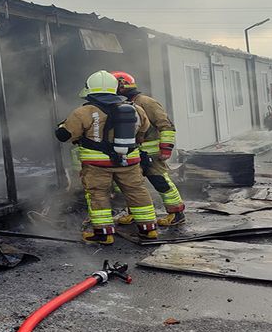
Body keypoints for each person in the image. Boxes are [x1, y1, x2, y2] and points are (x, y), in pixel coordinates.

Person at [55, 70, 158, 243]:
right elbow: (144, 130)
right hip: (129, 161)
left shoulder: (84, 112)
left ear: (90, 89)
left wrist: (62, 126)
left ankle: (104, 234)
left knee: (98, 194)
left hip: (97, 164)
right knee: (136, 191)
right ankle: (149, 230)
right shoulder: (135, 109)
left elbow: (64, 135)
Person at [111, 71, 186, 226]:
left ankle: (176, 214)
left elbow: (166, 126)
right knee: (131, 185)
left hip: (151, 154)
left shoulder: (146, 102)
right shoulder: (122, 104)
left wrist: (166, 149)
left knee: (160, 181)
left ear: (121, 86)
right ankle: (134, 213)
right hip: (133, 153)